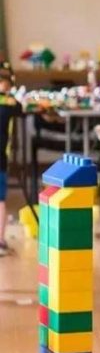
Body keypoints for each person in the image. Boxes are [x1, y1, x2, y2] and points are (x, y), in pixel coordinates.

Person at [0, 64, 16, 257]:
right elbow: (20, 107)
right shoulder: (9, 104)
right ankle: (0, 241)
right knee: (0, 200)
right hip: (0, 160)